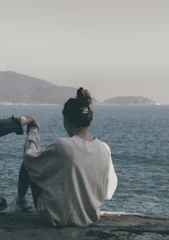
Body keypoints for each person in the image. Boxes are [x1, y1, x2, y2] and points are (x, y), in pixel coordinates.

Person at [13, 88, 118, 226]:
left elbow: (29, 158)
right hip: (90, 218)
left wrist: (33, 132)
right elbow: (107, 193)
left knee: (32, 162)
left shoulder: (63, 146)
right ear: (89, 120)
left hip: (55, 217)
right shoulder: (104, 148)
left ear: (66, 120)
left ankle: (21, 201)